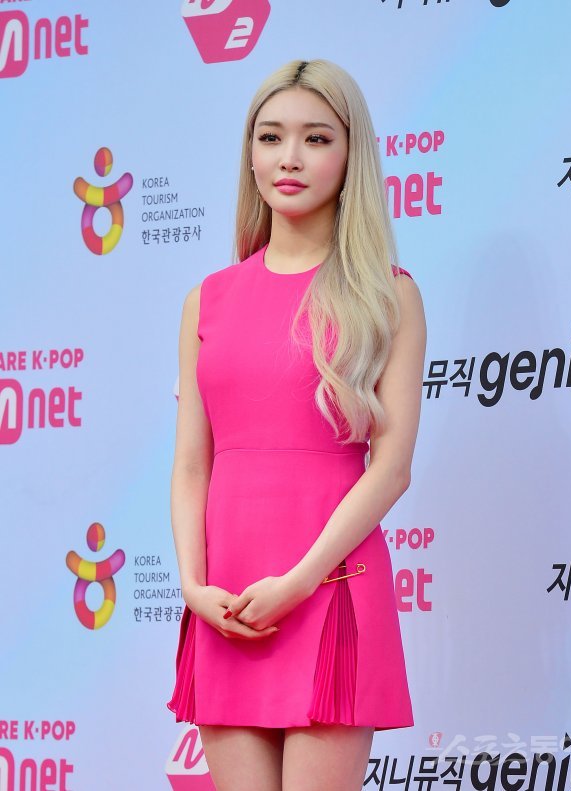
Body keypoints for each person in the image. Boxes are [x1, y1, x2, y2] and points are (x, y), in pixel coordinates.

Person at [166, 58, 427, 791]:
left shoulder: (389, 297)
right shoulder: (207, 300)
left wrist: (301, 580)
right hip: (227, 599)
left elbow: (392, 468)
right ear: (250, 154)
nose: (289, 158)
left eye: (316, 138)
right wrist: (192, 585)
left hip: (331, 585)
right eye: (270, 136)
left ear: (350, 156)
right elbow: (192, 463)